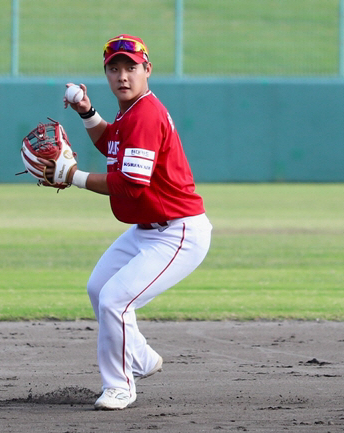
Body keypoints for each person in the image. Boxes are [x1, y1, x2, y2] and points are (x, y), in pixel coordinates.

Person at [44, 34, 212, 410]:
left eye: (131, 67)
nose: (122, 75)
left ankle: (120, 386)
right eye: (114, 68)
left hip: (178, 232)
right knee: (98, 287)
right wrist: (88, 112)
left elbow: (131, 186)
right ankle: (142, 359)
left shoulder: (146, 114)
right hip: (148, 230)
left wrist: (72, 175)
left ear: (147, 70)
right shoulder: (131, 111)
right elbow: (112, 144)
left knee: (115, 301)